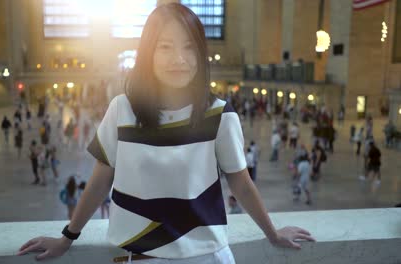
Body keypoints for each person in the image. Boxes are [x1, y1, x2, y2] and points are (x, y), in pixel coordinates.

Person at [17, 4, 314, 263]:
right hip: (141, 255)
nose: (179, 59)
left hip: (205, 256)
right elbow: (100, 180)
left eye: (189, 47)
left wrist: (273, 233)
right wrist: (67, 237)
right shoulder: (122, 110)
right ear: (148, 53)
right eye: (165, 47)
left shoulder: (220, 115)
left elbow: (241, 183)